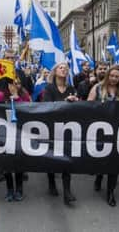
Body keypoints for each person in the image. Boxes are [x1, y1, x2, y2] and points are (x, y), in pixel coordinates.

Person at [88, 65, 119, 207]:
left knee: (114, 163)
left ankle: (110, 192)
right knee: (101, 158)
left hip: (118, 131)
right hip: (100, 130)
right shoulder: (97, 88)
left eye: (117, 77)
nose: (113, 79)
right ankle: (99, 176)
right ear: (107, 75)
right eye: (111, 76)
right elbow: (87, 106)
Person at [42, 62, 78, 205]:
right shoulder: (49, 88)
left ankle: (67, 191)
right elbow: (47, 107)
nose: (64, 70)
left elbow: (76, 109)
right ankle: (51, 181)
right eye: (61, 68)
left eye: (66, 68)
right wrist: (64, 101)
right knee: (52, 157)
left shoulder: (71, 88)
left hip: (67, 128)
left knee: (67, 158)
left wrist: (76, 101)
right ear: (55, 71)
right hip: (52, 128)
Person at [0, 79, 31, 201]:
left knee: (18, 162)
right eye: (12, 83)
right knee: (7, 163)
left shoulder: (24, 95)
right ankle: (9, 189)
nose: (15, 86)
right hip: (4, 134)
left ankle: (19, 189)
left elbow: (31, 110)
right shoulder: (0, 95)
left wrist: (17, 98)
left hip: (20, 133)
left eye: (18, 83)